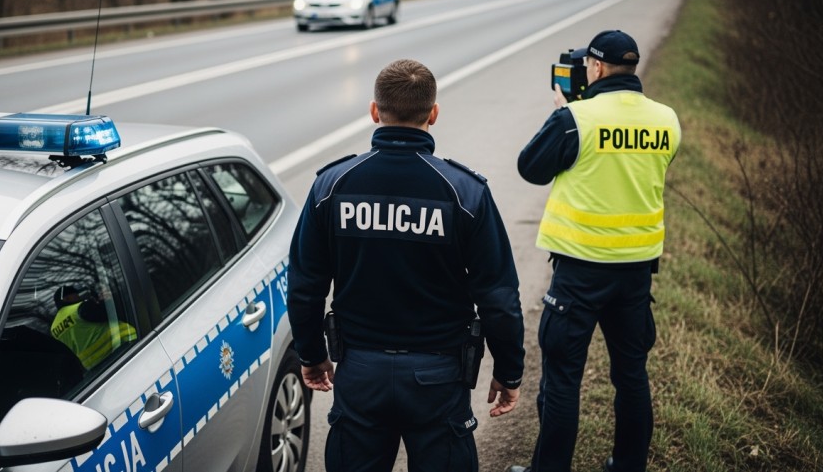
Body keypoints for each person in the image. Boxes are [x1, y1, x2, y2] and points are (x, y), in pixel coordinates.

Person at [287, 59, 525, 472]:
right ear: (433, 114)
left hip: (359, 373)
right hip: (438, 378)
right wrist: (509, 372)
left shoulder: (332, 186)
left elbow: (305, 283)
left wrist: (311, 354)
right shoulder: (465, 193)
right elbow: (498, 297)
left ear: (375, 112)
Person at [509, 30, 681, 472]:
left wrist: (562, 116)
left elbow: (530, 168)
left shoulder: (575, 119)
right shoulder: (667, 120)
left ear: (598, 68)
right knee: (631, 376)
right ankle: (627, 466)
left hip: (580, 272)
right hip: (637, 272)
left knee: (563, 380)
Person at [51, 283, 137, 370]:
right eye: (76, 295)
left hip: (95, 369)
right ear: (67, 298)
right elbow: (112, 313)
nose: (79, 297)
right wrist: (107, 300)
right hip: (122, 349)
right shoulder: (79, 308)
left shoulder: (53, 328)